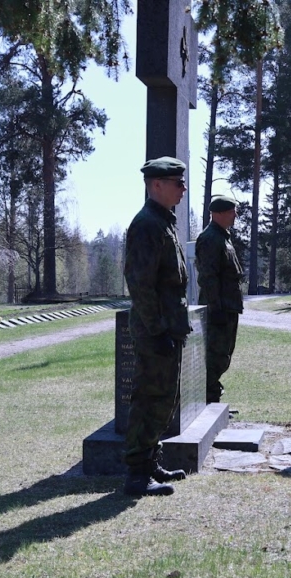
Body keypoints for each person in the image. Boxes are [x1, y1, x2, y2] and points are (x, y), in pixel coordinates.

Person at [121, 156, 192, 497]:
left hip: (167, 327)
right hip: (156, 331)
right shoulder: (147, 225)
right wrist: (157, 330)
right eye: (178, 183)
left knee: (163, 399)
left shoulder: (163, 223)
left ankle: (150, 461)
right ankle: (137, 475)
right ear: (157, 185)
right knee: (150, 398)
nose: (183, 188)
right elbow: (140, 284)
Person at [196, 194, 244, 404]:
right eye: (232, 212)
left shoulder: (222, 236)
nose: (235, 216)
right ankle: (209, 400)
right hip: (219, 309)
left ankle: (212, 398)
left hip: (228, 307)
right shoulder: (210, 239)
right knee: (215, 356)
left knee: (223, 355)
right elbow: (208, 277)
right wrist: (215, 310)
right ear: (219, 214)